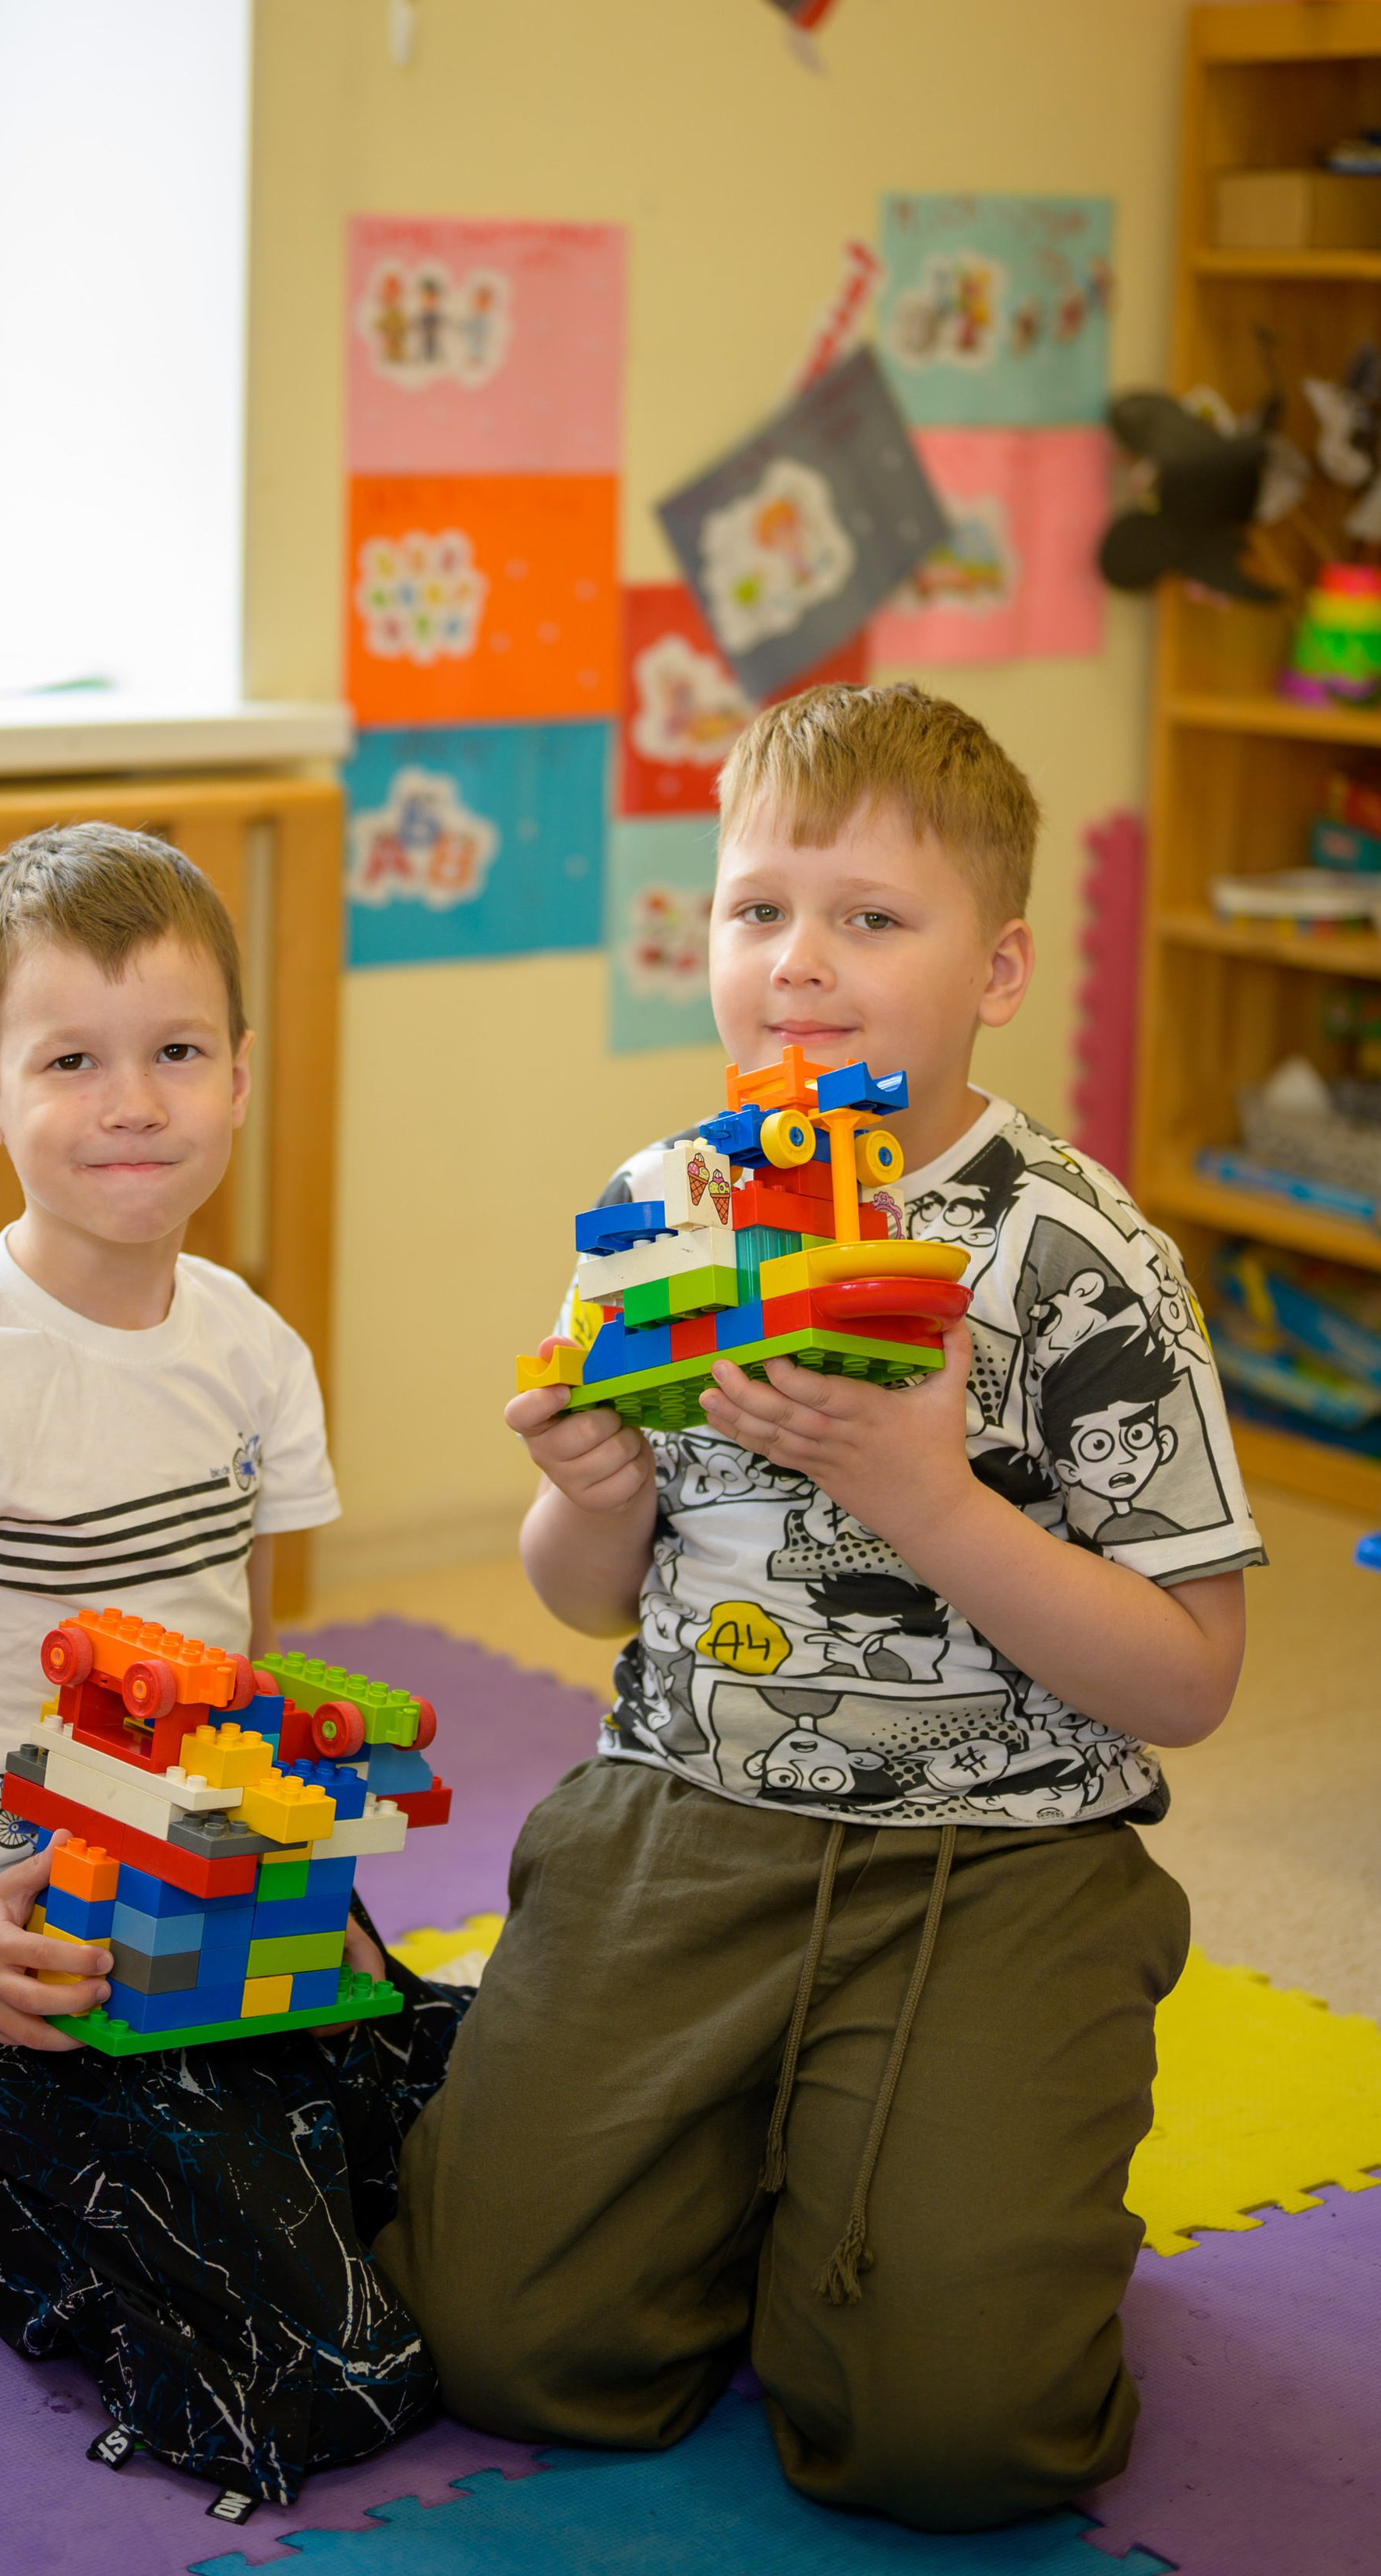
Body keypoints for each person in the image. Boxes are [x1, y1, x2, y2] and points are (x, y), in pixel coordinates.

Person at [374, 683, 1260, 2533]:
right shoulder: (661, 1202)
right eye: (757, 908)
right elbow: (585, 1595)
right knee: (498, 2347)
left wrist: (923, 1500)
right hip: (685, 1813)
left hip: (997, 1853)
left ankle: (921, 2171)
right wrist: (586, 1493)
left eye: (871, 917)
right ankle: (780, 2157)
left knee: (951, 2443)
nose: (799, 960)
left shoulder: (1077, 1251)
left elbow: (1184, 1679)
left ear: (996, 966)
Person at [0, 823, 467, 2508]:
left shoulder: (251, 1350)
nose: (134, 1100)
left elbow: (238, 1651)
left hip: (201, 1905)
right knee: (332, 2376)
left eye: (176, 1050)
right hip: (8, 1944)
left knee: (489, 2109)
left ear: (239, 1075)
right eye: (72, 1058)